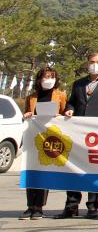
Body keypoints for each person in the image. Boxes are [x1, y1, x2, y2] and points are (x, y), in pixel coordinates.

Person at [57, 52, 98, 219]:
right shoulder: (78, 84)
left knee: (94, 172)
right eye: (92, 62)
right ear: (87, 64)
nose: (94, 64)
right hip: (77, 135)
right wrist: (69, 108)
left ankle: (92, 206)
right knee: (73, 170)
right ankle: (71, 206)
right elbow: (72, 102)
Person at [19, 67, 67, 220]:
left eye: (52, 76)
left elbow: (67, 115)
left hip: (51, 138)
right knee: (31, 171)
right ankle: (29, 206)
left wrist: (60, 116)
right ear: (39, 79)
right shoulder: (32, 97)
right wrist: (26, 115)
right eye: (46, 77)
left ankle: (39, 206)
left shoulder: (60, 95)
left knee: (44, 171)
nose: (49, 80)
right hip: (33, 137)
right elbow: (27, 115)